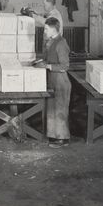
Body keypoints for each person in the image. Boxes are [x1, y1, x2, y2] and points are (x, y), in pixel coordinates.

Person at [36, 17, 71, 148]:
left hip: (61, 81)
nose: (44, 31)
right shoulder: (51, 41)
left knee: (60, 110)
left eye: (46, 29)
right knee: (52, 108)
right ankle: (54, 136)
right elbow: (47, 58)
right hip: (52, 79)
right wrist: (38, 62)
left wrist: (47, 66)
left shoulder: (61, 43)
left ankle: (63, 139)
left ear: (53, 29)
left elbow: (65, 66)